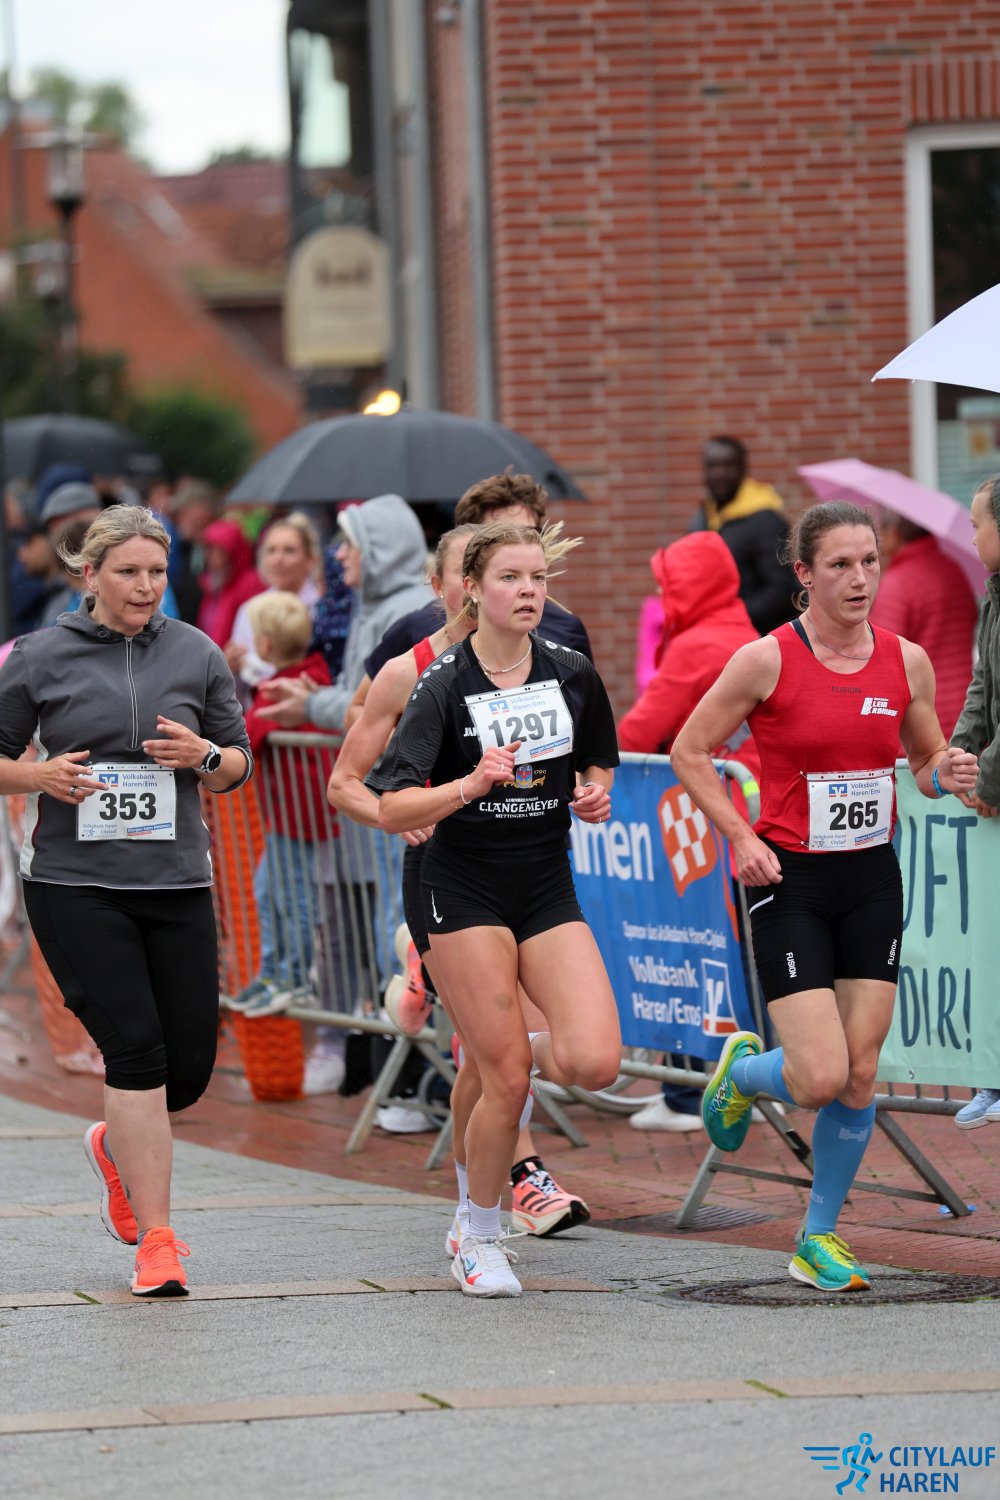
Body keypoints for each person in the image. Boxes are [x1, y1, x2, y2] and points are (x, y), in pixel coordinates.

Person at [671, 500, 978, 1292]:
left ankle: (818, 1236)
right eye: (840, 564)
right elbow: (690, 749)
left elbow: (923, 762)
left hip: (871, 877)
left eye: (869, 561)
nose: (860, 578)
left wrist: (946, 772)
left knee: (860, 1072)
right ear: (804, 573)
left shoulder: (906, 661)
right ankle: (744, 1075)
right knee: (816, 1076)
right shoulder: (766, 659)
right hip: (789, 879)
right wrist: (739, 837)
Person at [0, 505, 252, 1297]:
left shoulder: (196, 651)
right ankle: (158, 1241)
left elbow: (237, 763)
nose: (146, 586)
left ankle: (117, 1147)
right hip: (74, 884)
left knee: (188, 1072)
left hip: (176, 882)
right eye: (129, 572)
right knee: (135, 1050)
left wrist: (204, 756)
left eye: (156, 572)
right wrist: (37, 775)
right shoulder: (39, 656)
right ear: (91, 575)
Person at [370, 521, 622, 1297]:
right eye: (511, 578)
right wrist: (468, 786)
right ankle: (478, 1236)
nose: (529, 591)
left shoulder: (571, 672)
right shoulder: (443, 683)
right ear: (474, 589)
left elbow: (599, 756)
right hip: (461, 885)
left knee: (595, 1061)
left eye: (538, 578)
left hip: (544, 883)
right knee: (506, 1076)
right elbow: (392, 805)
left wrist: (594, 793)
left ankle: (495, 1041)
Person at [619, 531, 761, 1133]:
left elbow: (642, 726)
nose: (661, 595)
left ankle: (692, 1091)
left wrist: (588, 764)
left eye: (668, 584)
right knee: (740, 955)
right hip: (743, 813)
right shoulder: (741, 632)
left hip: (708, 821)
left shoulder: (699, 644)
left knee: (696, 949)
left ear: (692, 585)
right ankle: (741, 1082)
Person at [357, 471, 593, 707]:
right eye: (499, 536)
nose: (517, 544)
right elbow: (361, 709)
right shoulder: (418, 628)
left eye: (528, 533)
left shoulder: (566, 629)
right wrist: (420, 729)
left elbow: (588, 715)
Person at [230, 591, 333, 1024]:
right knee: (270, 890)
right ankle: (273, 973)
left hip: (298, 812)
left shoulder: (292, 685)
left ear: (266, 644)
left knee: (292, 896)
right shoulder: (308, 676)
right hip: (289, 811)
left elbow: (248, 733)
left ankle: (293, 978)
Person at [951, 475, 1000, 1129]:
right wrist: (957, 757)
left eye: (978, 524)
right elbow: (982, 687)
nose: (971, 536)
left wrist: (986, 778)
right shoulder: (992, 596)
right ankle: (992, 1073)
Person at [868, 512, 977, 739]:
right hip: (967, 709)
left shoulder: (897, 583)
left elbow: (880, 655)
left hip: (924, 718)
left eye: (882, 531)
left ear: (895, 533)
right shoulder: (953, 569)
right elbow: (972, 617)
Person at [691, 436, 796, 635]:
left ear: (743, 469)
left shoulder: (766, 520)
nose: (719, 473)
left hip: (761, 638)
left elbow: (781, 590)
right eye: (713, 466)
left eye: (728, 465)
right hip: (716, 635)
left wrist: (731, 619)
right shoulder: (703, 518)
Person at [224, 512, 323, 703]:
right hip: (258, 710)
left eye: (289, 550)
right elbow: (238, 689)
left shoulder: (321, 608)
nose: (278, 559)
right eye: (271, 550)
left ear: (310, 559)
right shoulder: (249, 610)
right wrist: (230, 668)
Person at [196, 516, 264, 648]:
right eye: (209, 549)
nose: (211, 556)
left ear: (233, 552)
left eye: (220, 551)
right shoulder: (213, 583)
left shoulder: (250, 584)